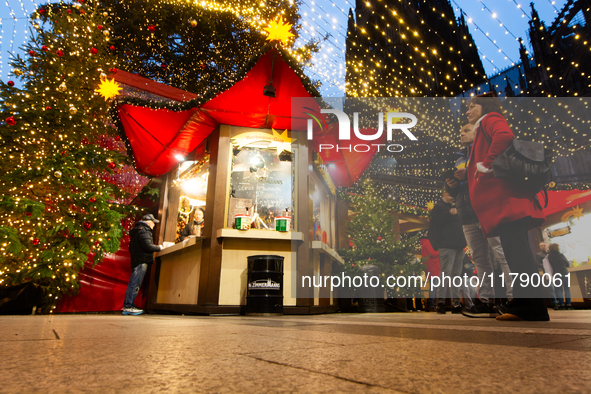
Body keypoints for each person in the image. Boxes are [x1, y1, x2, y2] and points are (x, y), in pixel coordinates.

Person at [466, 93, 548, 321]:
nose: (468, 110)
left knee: (519, 255)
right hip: (502, 205)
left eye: (472, 106)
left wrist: (486, 163)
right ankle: (523, 304)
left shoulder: (490, 118)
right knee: (514, 254)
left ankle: (531, 307)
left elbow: (504, 135)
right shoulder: (483, 126)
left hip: (507, 203)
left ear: (485, 107)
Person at [445, 123, 513, 318]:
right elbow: (458, 188)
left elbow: (493, 176)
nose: (461, 133)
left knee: (501, 255)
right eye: (460, 130)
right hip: (467, 214)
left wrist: (467, 174)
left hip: (487, 210)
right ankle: (486, 300)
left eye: (466, 130)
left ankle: (513, 299)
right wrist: (452, 185)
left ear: (478, 133)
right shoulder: (459, 158)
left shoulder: (487, 152)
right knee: (480, 260)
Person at [428, 190, 467, 314]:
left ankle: (456, 303)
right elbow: (434, 222)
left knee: (456, 274)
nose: (452, 197)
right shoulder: (438, 207)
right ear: (444, 194)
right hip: (446, 245)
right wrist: (448, 213)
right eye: (449, 194)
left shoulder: (457, 207)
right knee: (445, 274)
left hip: (459, 245)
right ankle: (440, 303)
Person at [123, 214, 163, 316]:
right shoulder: (144, 230)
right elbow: (148, 246)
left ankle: (128, 305)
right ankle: (128, 306)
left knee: (133, 282)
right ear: (149, 222)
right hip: (141, 260)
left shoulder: (137, 230)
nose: (154, 225)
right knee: (135, 283)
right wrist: (159, 248)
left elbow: (131, 248)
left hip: (137, 259)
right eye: (153, 223)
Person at [547, 243, 572, 310]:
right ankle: (569, 305)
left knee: (558, 290)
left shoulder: (549, 256)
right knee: (567, 289)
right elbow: (567, 263)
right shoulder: (560, 255)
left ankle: (562, 305)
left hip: (556, 274)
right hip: (564, 273)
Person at [419, 236, 440, 312]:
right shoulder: (427, 243)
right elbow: (433, 254)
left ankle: (432, 305)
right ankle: (432, 305)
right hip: (433, 267)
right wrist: (440, 252)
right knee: (434, 288)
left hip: (429, 268)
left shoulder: (422, 245)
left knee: (433, 287)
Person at [536, 242, 558, 309]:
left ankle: (559, 301)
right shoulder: (539, 254)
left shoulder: (550, 253)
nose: (543, 247)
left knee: (557, 287)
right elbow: (537, 263)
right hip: (547, 272)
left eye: (544, 245)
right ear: (540, 247)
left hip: (554, 271)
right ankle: (554, 303)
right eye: (542, 246)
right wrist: (545, 266)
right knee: (551, 288)